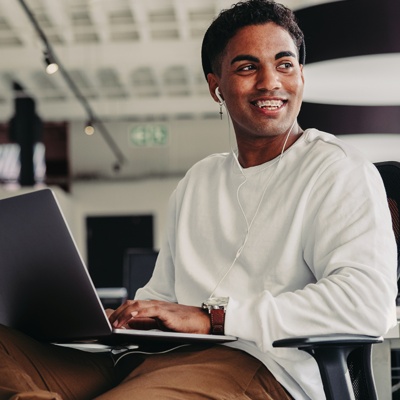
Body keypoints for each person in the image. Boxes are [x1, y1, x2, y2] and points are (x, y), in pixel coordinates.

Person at [0, 0, 397, 399]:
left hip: (262, 368)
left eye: (284, 64)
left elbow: (365, 304)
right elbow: (163, 295)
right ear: (216, 87)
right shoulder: (198, 180)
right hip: (153, 358)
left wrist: (215, 319)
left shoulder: (337, 169)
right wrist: (131, 316)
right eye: (246, 67)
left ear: (301, 76)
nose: (269, 81)